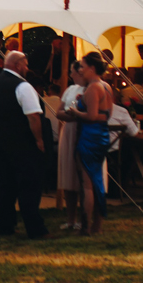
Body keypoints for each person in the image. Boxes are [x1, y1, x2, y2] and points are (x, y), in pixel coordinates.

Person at [0, 49, 48, 239]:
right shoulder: (23, 86)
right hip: (22, 143)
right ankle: (35, 228)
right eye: (25, 65)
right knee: (29, 185)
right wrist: (39, 139)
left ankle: (5, 225)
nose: (27, 68)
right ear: (18, 65)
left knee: (4, 185)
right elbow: (33, 117)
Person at [59, 52, 114, 235]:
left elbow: (90, 116)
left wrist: (75, 113)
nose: (80, 70)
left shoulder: (92, 89)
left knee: (87, 185)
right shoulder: (107, 87)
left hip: (89, 136)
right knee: (97, 182)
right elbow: (106, 115)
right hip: (102, 135)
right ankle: (97, 226)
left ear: (91, 68)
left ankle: (85, 226)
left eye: (82, 66)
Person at [56, 58, 86, 231]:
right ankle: (71, 219)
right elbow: (59, 111)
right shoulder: (69, 90)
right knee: (68, 174)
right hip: (69, 130)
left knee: (82, 176)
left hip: (84, 130)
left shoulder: (91, 88)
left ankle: (85, 217)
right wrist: (69, 115)